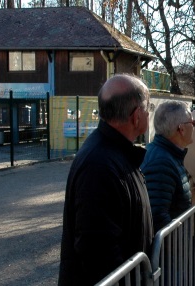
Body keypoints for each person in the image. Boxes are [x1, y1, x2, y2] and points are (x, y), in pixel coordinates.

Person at [59, 74, 154, 285]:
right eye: (148, 108)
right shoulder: (99, 164)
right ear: (136, 115)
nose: (149, 114)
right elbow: (97, 251)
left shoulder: (114, 153)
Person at [141, 100, 193, 232]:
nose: (194, 127)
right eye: (193, 123)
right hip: (170, 249)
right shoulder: (161, 162)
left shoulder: (169, 154)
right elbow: (157, 217)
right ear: (181, 129)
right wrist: (179, 244)